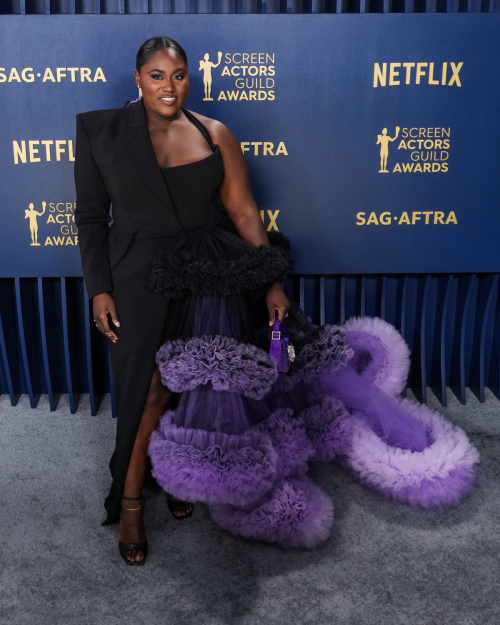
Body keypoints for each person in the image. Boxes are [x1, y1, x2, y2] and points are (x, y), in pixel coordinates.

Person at [74, 36, 480, 566]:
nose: (168, 87)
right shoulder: (99, 131)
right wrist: (99, 288)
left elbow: (243, 212)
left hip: (209, 273)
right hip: (135, 276)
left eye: (178, 75)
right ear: (137, 78)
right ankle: (129, 500)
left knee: (194, 388)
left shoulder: (215, 133)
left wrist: (269, 282)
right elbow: (89, 219)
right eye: (156, 75)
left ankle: (174, 476)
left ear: (189, 79)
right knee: (145, 391)